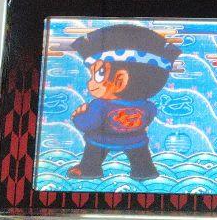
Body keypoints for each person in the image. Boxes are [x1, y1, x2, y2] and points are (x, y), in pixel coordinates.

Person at [67, 24, 178, 180]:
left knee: (93, 151)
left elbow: (89, 124)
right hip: (135, 140)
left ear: (120, 80)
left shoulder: (99, 105)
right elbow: (150, 115)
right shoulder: (147, 106)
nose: (90, 83)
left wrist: (77, 117)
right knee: (140, 154)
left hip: (101, 140)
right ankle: (145, 171)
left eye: (98, 75)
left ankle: (89, 169)